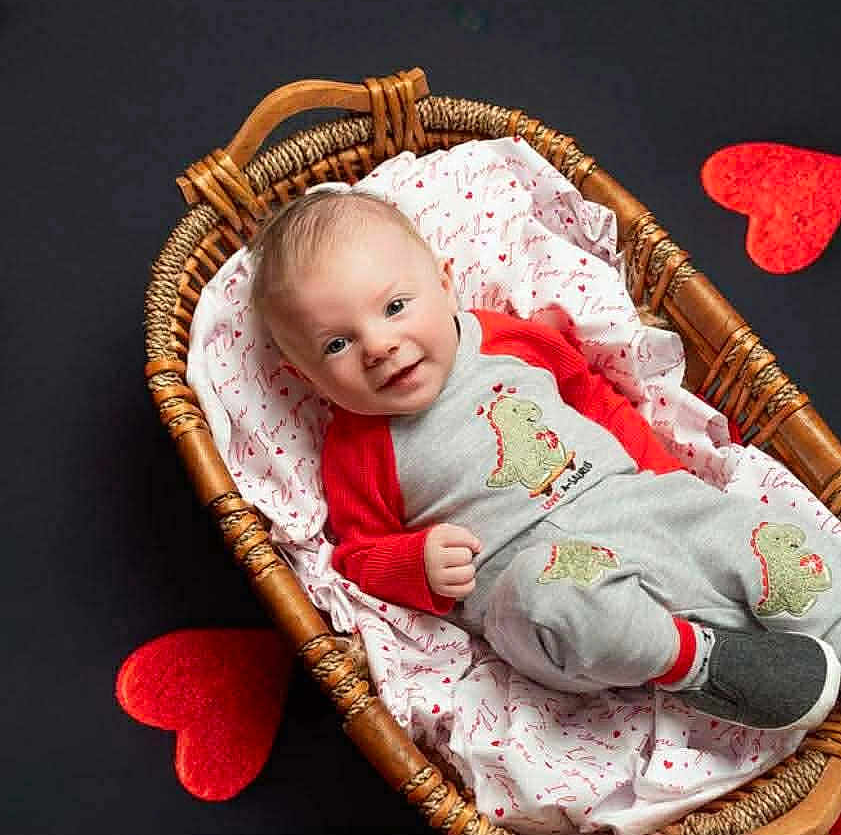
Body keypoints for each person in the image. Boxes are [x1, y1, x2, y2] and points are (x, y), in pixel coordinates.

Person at [251, 187, 841, 733]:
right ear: (307, 377)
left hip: (633, 502)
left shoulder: (506, 340)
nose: (378, 345)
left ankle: (825, 629)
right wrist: (416, 563)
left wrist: (661, 476)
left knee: (752, 532)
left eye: (396, 306)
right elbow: (358, 554)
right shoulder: (357, 451)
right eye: (337, 344)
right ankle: (702, 664)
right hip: (540, 582)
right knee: (547, 599)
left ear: (444, 284)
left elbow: (591, 397)